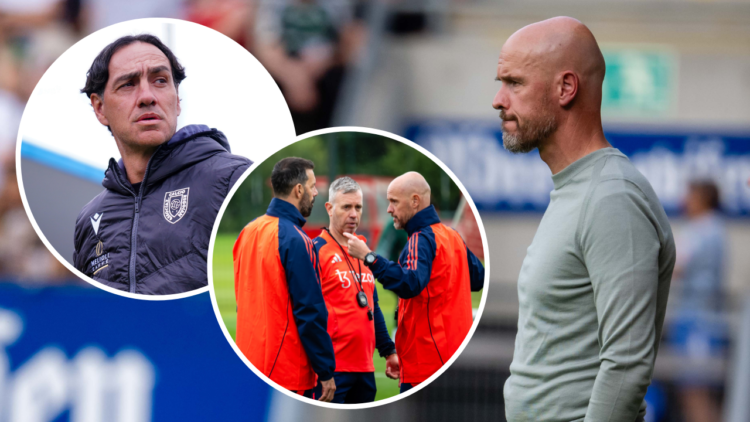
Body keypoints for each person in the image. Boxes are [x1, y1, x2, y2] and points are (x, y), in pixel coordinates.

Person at [492, 17, 676, 421]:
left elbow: (626, 365)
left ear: (566, 88)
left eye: (515, 83)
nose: (499, 99)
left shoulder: (612, 197)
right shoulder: (576, 188)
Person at [72, 34, 251, 295]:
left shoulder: (233, 178)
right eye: (128, 84)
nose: (147, 96)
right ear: (100, 108)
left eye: (160, 81)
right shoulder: (89, 219)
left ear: (177, 100)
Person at [344, 171, 485, 393]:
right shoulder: (453, 236)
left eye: (394, 202)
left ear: (415, 201)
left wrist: (369, 257)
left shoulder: (420, 239)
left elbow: (409, 284)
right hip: (453, 356)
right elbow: (478, 279)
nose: (389, 209)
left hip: (427, 364)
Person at [233, 157, 336, 402]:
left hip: (250, 362)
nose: (315, 192)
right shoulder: (296, 239)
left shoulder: (247, 231)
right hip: (286, 372)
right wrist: (326, 370)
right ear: (298, 189)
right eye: (312, 186)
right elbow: (310, 312)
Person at [312, 176, 399, 403]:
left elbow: (373, 306)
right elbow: (305, 314)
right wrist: (322, 369)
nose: (354, 214)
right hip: (332, 370)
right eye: (346, 207)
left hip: (365, 368)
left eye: (358, 207)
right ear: (330, 208)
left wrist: (389, 351)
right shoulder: (315, 251)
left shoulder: (363, 250)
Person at [668, 180, 727, 422]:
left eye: (690, 196)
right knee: (693, 391)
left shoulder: (701, 230)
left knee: (696, 392)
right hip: (698, 319)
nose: (685, 202)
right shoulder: (715, 228)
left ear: (703, 199)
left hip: (697, 323)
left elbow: (675, 267)